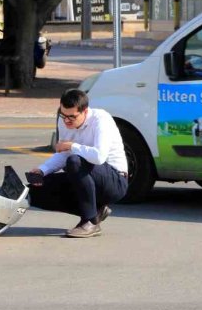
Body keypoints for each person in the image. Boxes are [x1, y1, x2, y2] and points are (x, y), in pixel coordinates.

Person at [26, 88, 128, 238]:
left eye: (72, 117)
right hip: (85, 177)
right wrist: (42, 170)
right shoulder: (64, 120)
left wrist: (72, 146)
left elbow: (99, 157)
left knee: (75, 161)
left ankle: (90, 222)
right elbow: (63, 154)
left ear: (85, 111)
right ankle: (96, 210)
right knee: (33, 190)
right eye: (63, 115)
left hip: (114, 181)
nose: (66, 120)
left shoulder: (101, 119)